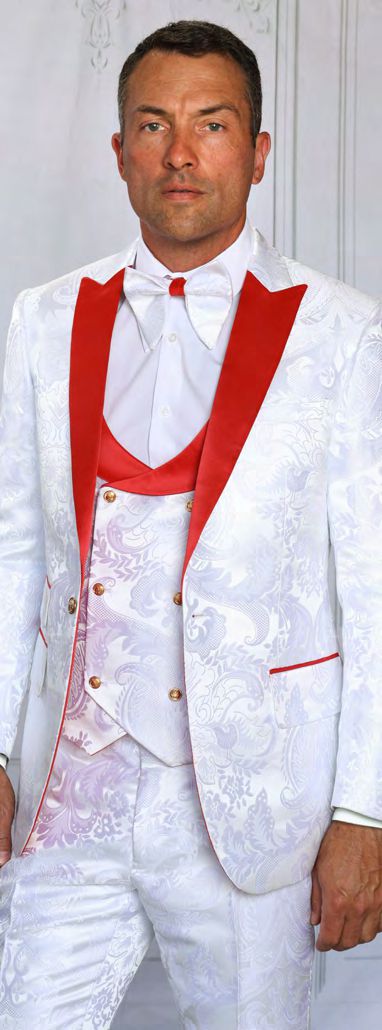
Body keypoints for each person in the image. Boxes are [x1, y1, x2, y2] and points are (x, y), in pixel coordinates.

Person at [0, 17, 381, 1030]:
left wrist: (363, 812)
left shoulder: (339, 330)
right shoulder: (43, 319)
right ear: (118, 151)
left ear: (256, 153)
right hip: (68, 800)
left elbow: (375, 587)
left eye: (211, 125)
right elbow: (15, 554)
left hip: (252, 809)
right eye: (152, 124)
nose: (179, 152)